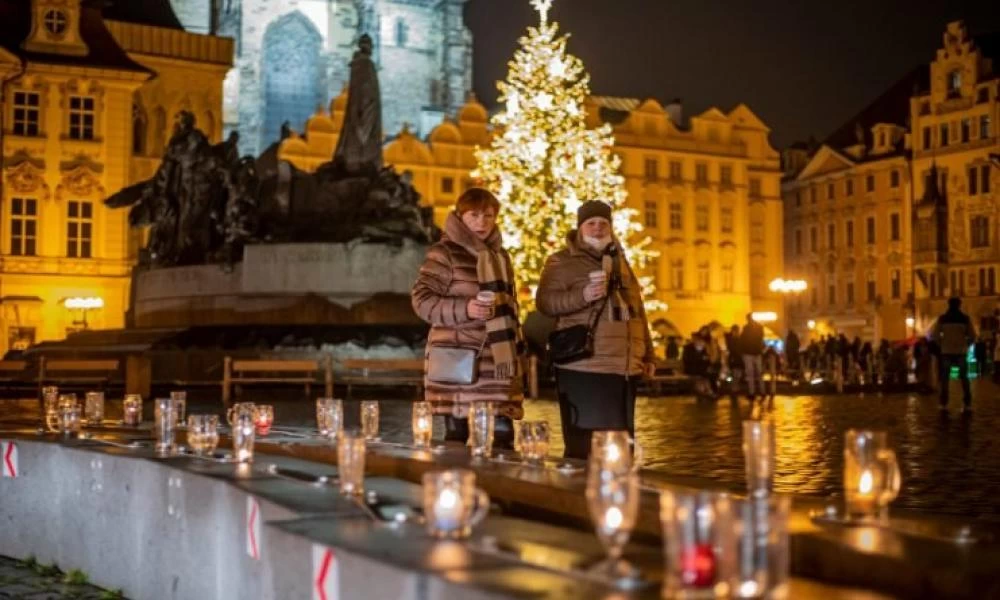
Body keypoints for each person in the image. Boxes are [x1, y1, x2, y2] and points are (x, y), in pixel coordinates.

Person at [537, 200, 654, 460]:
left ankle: (618, 496)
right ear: (580, 229)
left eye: (604, 224)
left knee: (621, 448)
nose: (598, 228)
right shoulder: (562, 261)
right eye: (591, 224)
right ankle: (578, 497)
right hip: (584, 365)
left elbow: (638, 311)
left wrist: (648, 355)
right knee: (586, 448)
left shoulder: (620, 262)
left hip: (623, 368)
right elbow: (545, 302)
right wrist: (583, 295)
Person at [411, 188, 523, 448]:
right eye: (474, 215)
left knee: (502, 437)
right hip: (458, 362)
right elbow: (421, 300)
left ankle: (501, 488)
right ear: (461, 217)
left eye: (488, 215)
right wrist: (466, 309)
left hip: (497, 361)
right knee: (457, 439)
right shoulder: (445, 253)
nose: (482, 222)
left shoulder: (500, 257)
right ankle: (456, 486)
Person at [931, 297, 976, 414]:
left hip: (946, 351)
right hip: (961, 351)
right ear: (959, 305)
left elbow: (935, 335)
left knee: (945, 379)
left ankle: (944, 403)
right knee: (964, 378)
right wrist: (966, 344)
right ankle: (967, 403)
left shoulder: (943, 318)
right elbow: (972, 336)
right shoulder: (965, 319)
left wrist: (942, 344)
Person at [739, 313, 764, 400]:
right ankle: (762, 392)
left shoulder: (746, 328)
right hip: (757, 352)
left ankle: (752, 392)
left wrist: (743, 352)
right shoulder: (759, 327)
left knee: (751, 374)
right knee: (759, 373)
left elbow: (742, 340)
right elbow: (760, 339)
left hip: (749, 353)